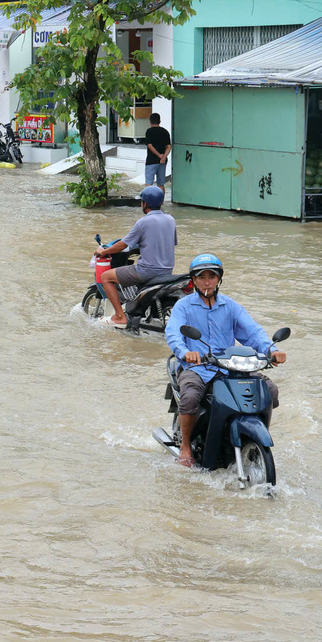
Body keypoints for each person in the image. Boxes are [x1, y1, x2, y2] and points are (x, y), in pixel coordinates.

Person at [164, 253, 286, 468]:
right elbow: (173, 332)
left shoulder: (230, 306)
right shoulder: (183, 306)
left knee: (269, 390)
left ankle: (256, 434)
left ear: (219, 279)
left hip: (231, 366)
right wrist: (185, 352)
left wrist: (272, 350)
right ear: (193, 280)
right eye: (201, 277)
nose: (207, 282)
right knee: (191, 397)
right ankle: (185, 446)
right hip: (198, 366)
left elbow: (253, 331)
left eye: (212, 276)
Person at [93, 185, 177, 328]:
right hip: (167, 271)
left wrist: (104, 252)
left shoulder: (143, 222)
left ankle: (120, 316)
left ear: (145, 203)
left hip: (147, 271)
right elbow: (170, 243)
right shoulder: (170, 220)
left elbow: (122, 245)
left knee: (106, 277)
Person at [143, 112, 171, 188]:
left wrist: (159, 155)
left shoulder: (149, 131)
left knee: (149, 184)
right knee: (161, 184)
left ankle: (149, 200)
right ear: (159, 121)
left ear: (150, 121)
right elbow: (168, 146)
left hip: (151, 161)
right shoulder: (165, 132)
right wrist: (164, 157)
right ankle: (161, 200)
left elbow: (150, 145)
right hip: (163, 162)